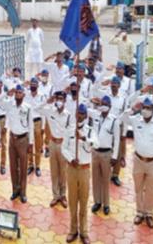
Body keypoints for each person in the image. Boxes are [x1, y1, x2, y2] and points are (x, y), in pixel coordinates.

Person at [122, 98, 153, 229]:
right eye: (144, 108)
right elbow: (123, 118)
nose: (146, 110)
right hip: (138, 160)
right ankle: (139, 212)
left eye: (148, 108)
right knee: (138, 188)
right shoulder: (136, 120)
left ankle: (149, 214)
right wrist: (133, 108)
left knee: (151, 189)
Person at [37, 91, 74, 208]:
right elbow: (37, 109)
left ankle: (63, 195)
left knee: (63, 171)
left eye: (61, 99)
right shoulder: (50, 111)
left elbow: (71, 132)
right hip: (52, 143)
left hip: (63, 144)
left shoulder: (68, 115)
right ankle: (55, 195)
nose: (59, 101)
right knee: (54, 171)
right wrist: (47, 101)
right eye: (57, 98)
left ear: (65, 101)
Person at [0, 84, 34, 203]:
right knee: (13, 167)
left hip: (23, 139)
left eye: (20, 92)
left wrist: (31, 143)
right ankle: (15, 190)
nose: (18, 94)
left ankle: (23, 192)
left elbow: (31, 126)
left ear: (24, 94)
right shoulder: (10, 105)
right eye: (16, 92)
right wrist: (7, 93)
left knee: (23, 167)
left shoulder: (28, 107)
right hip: (12, 139)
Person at [62, 104, 91, 244]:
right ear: (75, 114)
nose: (80, 115)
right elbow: (64, 148)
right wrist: (71, 159)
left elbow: (95, 144)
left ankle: (84, 231)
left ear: (86, 116)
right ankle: (73, 230)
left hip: (85, 169)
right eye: (78, 113)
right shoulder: (69, 130)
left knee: (84, 201)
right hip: (72, 169)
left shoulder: (90, 130)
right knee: (73, 201)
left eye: (82, 113)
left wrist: (84, 138)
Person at [90, 96, 120, 216]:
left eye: (106, 104)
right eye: (102, 103)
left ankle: (106, 204)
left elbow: (117, 139)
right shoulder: (95, 115)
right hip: (95, 152)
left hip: (107, 153)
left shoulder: (114, 120)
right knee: (96, 178)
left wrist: (115, 156)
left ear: (110, 106)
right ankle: (97, 201)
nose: (104, 105)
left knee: (105, 180)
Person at [25, 77, 46, 177]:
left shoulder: (42, 96)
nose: (33, 86)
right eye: (32, 84)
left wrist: (43, 127)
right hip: (28, 123)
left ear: (38, 85)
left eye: (35, 84)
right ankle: (30, 165)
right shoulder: (26, 96)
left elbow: (43, 112)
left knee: (38, 145)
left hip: (38, 122)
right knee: (29, 144)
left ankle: (37, 166)